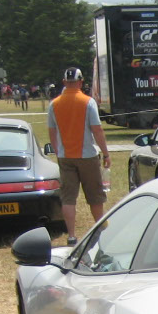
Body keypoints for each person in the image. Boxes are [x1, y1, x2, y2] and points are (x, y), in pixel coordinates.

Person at [47, 66, 111, 246]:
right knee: (95, 195)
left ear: (64, 82)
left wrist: (58, 150)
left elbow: (52, 131)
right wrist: (106, 153)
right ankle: (100, 229)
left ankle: (72, 236)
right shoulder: (88, 102)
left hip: (65, 156)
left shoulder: (54, 104)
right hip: (87, 155)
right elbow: (97, 130)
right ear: (81, 82)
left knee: (68, 198)